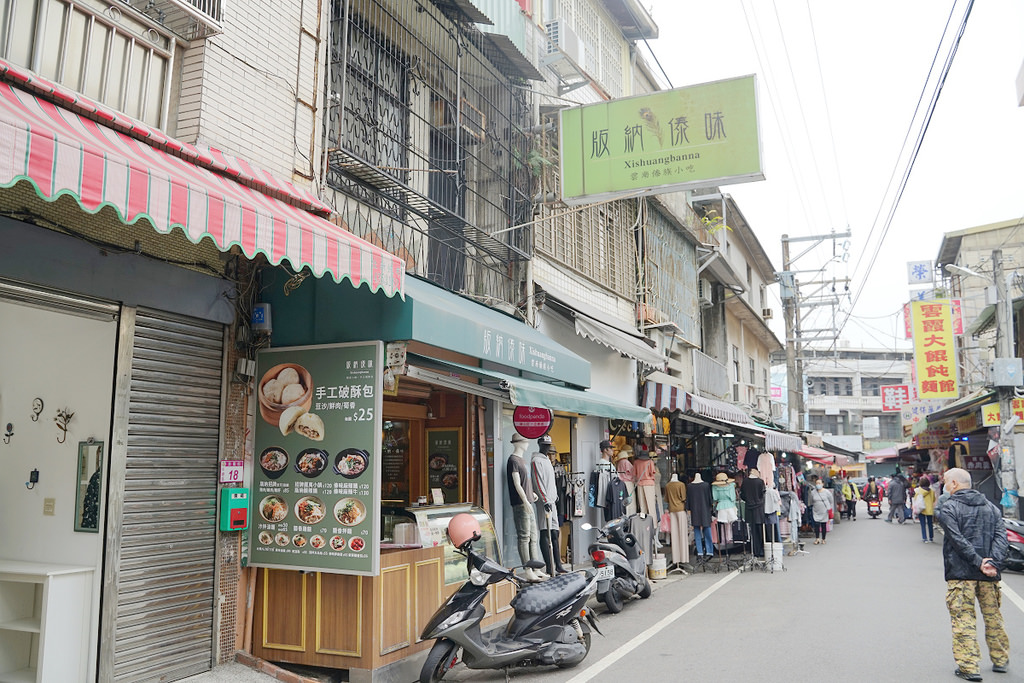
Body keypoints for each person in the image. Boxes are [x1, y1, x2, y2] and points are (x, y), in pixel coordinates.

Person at [935, 468, 1009, 681]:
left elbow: (957, 540)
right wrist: (992, 563)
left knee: (963, 618)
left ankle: (969, 665)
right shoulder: (991, 508)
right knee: (993, 616)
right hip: (989, 575)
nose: (945, 486)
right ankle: (1000, 659)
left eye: (947, 482)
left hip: (961, 575)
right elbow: (1001, 537)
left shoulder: (949, 508)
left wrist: (979, 562)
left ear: (955, 484)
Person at [507, 433, 546, 581]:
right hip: (521, 504)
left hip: (529, 501)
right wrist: (524, 499)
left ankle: (535, 568)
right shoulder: (513, 460)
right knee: (524, 537)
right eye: (525, 441)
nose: (528, 444)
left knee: (533, 537)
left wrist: (532, 494)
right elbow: (516, 483)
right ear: (519, 443)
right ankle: (528, 569)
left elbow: (524, 482)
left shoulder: (522, 460)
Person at [808, 480, 834, 544]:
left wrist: (828, 507)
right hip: (816, 510)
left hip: (824, 510)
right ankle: (817, 538)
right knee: (816, 524)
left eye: (819, 483)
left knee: (823, 525)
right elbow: (811, 501)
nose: (818, 484)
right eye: (817, 483)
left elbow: (831, 500)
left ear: (822, 484)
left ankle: (823, 539)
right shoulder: (813, 492)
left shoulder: (826, 492)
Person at [916, 474, 937, 543]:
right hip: (929, 509)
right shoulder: (932, 491)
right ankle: (931, 537)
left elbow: (916, 499)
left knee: (923, 524)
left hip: (921, 509)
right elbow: (934, 499)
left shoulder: (918, 490)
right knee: (930, 524)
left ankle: (924, 538)